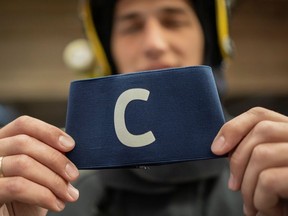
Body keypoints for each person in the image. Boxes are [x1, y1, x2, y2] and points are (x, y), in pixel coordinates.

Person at [1, 0, 288, 215]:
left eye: (173, 21)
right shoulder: (54, 193)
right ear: (107, 49)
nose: (154, 44)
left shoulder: (272, 168)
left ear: (209, 40)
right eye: (132, 26)